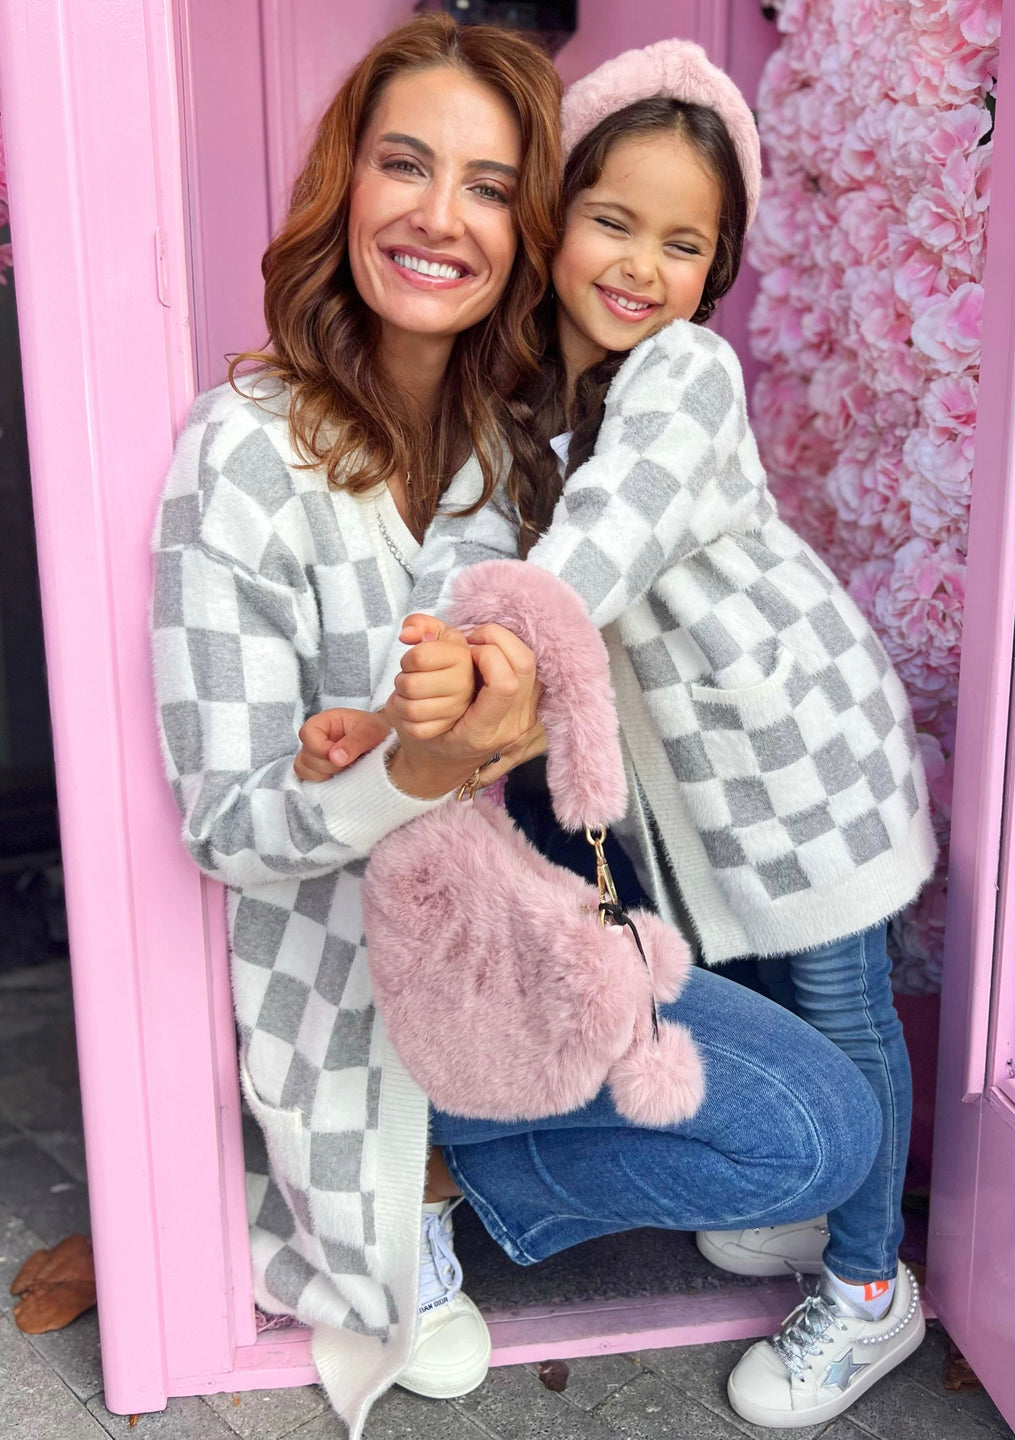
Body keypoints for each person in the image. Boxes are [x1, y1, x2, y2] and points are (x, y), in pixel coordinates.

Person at [300, 40, 936, 1431]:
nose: (644, 266)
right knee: (761, 992)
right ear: (556, 221)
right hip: (694, 785)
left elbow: (609, 533)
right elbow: (460, 551)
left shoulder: (687, 374)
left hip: (805, 759)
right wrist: (399, 696)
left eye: (685, 244)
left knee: (841, 1006)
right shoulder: (522, 397)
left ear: (717, 270)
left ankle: (871, 1286)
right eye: (613, 221)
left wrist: (499, 645)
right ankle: (796, 1214)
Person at [152, 14, 560, 1431]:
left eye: (490, 186)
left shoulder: (512, 457)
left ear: (527, 232)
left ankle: (482, 1167)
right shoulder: (242, 453)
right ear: (346, 186)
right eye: (405, 164)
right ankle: (419, 1191)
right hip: (343, 990)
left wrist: (527, 717)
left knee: (812, 1132)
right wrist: (410, 766)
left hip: (506, 951)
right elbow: (228, 826)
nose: (441, 215)